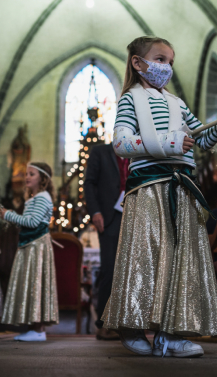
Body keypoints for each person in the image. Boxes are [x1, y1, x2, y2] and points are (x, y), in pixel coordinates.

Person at [101, 36, 217, 358]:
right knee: (146, 257)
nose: (166, 67)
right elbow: (121, 144)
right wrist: (168, 143)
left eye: (170, 62)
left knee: (183, 261)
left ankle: (173, 334)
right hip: (149, 187)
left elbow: (201, 139)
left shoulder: (178, 104)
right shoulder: (130, 99)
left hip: (182, 187)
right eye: (160, 59)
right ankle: (132, 325)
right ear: (138, 63)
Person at [0, 162, 58, 342]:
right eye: (26, 174)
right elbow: (28, 221)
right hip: (30, 245)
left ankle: (38, 330)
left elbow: (32, 223)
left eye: (32, 174)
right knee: (32, 284)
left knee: (35, 283)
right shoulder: (36, 198)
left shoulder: (42, 197)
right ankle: (34, 328)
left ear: (43, 179)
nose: (27, 177)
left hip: (36, 247)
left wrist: (8, 215)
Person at [84, 142, 129, 341]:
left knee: (131, 271)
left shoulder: (137, 152)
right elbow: (89, 182)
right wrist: (95, 212)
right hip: (109, 217)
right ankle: (103, 324)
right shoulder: (100, 152)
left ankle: (128, 324)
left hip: (134, 215)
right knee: (109, 270)